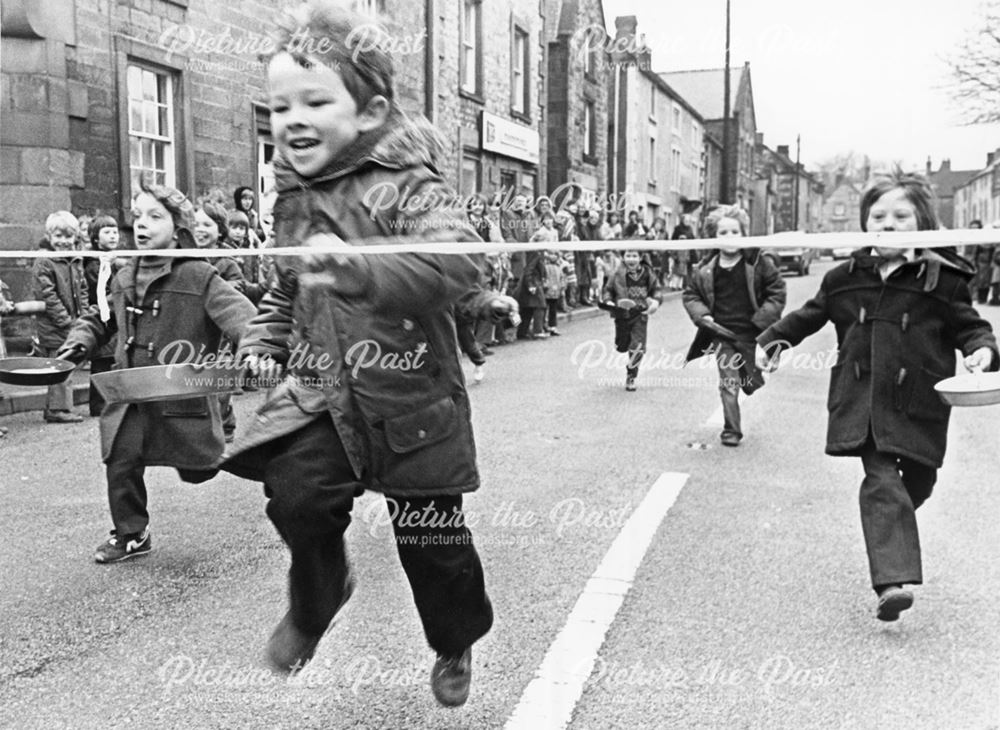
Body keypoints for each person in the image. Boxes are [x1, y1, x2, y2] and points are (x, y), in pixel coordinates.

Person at [219, 1, 513, 707]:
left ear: (370, 109)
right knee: (296, 496)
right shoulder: (294, 198)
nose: (293, 118)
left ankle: (453, 641)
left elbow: (458, 263)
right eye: (281, 103)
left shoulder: (406, 183)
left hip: (413, 400)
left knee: (433, 542)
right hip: (324, 395)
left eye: (315, 100)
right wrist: (264, 340)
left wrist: (361, 269)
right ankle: (317, 601)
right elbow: (288, 291)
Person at [755, 170, 998, 622]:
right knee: (882, 478)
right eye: (878, 215)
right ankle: (892, 582)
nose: (888, 223)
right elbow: (809, 316)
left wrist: (983, 352)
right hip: (863, 396)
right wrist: (772, 341)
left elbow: (972, 327)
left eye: (901, 216)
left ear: (922, 222)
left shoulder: (942, 281)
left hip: (920, 401)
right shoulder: (846, 278)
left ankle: (889, 530)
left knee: (919, 483)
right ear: (865, 224)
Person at [57, 181, 256, 563]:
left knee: (198, 470)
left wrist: (257, 347)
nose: (142, 224)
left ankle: (236, 438)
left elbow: (244, 318)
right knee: (120, 458)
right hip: (130, 395)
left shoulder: (200, 276)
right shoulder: (123, 276)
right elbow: (99, 320)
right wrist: (79, 341)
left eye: (155, 216)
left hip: (181, 398)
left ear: (178, 226)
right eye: (138, 216)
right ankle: (132, 533)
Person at [682, 205, 786, 446]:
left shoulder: (759, 263)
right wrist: (703, 316)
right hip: (723, 334)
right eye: (723, 233)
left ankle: (750, 376)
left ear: (744, 234)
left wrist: (762, 320)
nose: (730, 238)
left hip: (752, 333)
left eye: (735, 232)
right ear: (713, 237)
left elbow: (776, 293)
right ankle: (732, 430)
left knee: (751, 382)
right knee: (728, 383)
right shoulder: (705, 269)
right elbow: (691, 295)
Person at [31, 211, 89, 424]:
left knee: (67, 364)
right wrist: (66, 321)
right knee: (60, 365)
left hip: (72, 321)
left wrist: (83, 315)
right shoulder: (45, 261)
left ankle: (56, 407)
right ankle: (58, 409)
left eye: (68, 236)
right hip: (54, 325)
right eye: (59, 236)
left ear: (75, 237)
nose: (64, 241)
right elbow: (48, 296)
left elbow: (82, 289)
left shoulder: (75, 259)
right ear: (49, 235)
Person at [601, 250, 662, 391]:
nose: (631, 259)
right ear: (623, 257)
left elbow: (656, 290)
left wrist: (656, 302)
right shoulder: (617, 273)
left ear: (640, 257)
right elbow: (608, 290)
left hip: (640, 314)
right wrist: (608, 301)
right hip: (622, 314)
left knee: (637, 347)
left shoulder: (648, 273)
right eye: (628, 256)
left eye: (635, 256)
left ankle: (631, 375)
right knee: (622, 345)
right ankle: (626, 352)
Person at [83, 215, 121, 417]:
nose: (113, 235)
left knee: (109, 360)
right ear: (96, 239)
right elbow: (101, 289)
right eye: (107, 232)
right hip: (101, 313)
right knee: (101, 361)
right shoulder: (95, 264)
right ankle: (98, 404)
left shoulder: (114, 260)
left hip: (111, 313)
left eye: (115, 231)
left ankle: (106, 400)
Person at [543, 249, 566, 335]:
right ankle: (544, 326)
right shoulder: (545, 267)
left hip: (555, 292)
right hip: (547, 292)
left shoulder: (558, 267)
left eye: (555, 255)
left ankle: (552, 326)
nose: (553, 257)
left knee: (553, 310)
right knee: (545, 310)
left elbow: (561, 278)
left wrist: (562, 288)